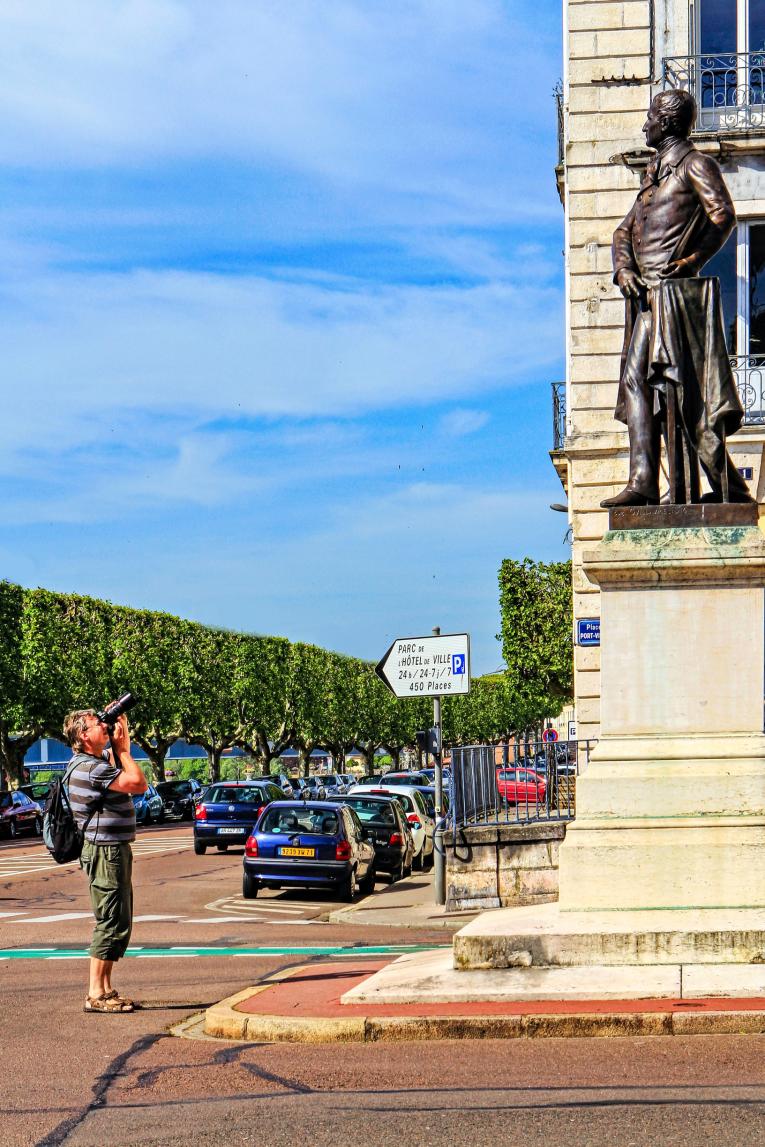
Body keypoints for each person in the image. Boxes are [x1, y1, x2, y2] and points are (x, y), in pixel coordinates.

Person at [602, 88, 753, 507]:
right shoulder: (653, 176)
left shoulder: (693, 165)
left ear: (667, 122)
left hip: (674, 300)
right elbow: (621, 232)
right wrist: (623, 269)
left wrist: (690, 260)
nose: (644, 124)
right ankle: (650, 480)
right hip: (646, 299)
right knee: (646, 387)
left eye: (650, 116)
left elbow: (723, 215)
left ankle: (716, 487)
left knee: (683, 401)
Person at [62, 708, 148, 1013]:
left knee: (120, 919)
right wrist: (124, 750)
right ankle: (95, 992)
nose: (105, 726)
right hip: (105, 851)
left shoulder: (95, 763)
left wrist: (118, 736)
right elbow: (138, 783)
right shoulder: (88, 769)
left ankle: (106, 988)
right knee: (110, 919)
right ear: (84, 736)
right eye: (99, 724)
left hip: (113, 849)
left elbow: (118, 767)